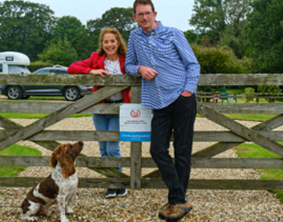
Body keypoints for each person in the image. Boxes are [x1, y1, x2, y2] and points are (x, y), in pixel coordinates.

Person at [125, 0, 200, 221]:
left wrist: (188, 90)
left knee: (183, 150)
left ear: (155, 13)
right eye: (140, 14)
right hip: (158, 101)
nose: (145, 18)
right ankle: (179, 199)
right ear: (134, 17)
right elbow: (128, 65)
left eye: (148, 13)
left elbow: (192, 64)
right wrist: (140, 68)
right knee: (157, 149)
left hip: (182, 97)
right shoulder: (134, 37)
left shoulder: (174, 33)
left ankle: (176, 201)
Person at [68, 27, 131, 199]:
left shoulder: (127, 60)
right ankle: (111, 184)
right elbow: (72, 68)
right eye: (106, 41)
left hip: (119, 109)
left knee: (112, 147)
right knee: (103, 148)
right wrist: (91, 71)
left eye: (112, 41)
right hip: (100, 109)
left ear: (118, 42)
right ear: (102, 44)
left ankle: (120, 183)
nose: (109, 44)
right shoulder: (96, 58)